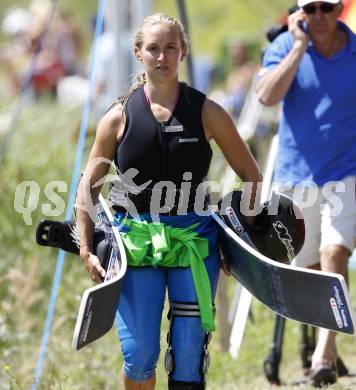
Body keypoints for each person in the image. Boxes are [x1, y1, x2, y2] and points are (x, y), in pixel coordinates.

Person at [76, 13, 262, 390]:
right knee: (140, 353)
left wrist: (241, 241)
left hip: (195, 240)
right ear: (138, 53)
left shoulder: (207, 112)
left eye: (171, 48)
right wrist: (85, 246)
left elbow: (252, 177)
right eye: (154, 49)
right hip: (134, 241)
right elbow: (88, 186)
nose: (162, 57)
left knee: (189, 356)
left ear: (183, 52)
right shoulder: (117, 117)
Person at [256, 0, 356, 387]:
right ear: (299, 12)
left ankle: (321, 357)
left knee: (336, 251)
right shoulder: (284, 46)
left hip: (347, 172)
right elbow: (266, 96)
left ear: (339, 10)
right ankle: (328, 352)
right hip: (296, 175)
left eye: (326, 8)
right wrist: (297, 48)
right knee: (309, 267)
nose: (318, 16)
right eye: (310, 8)